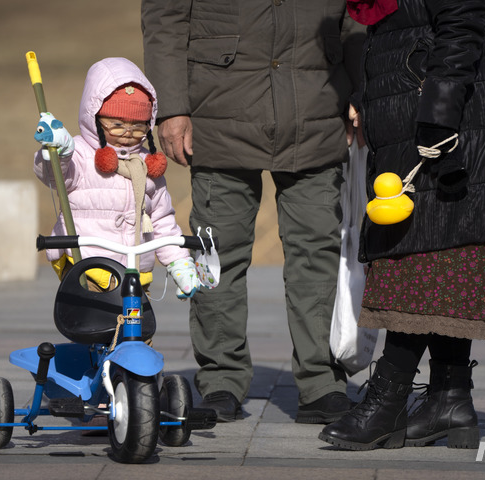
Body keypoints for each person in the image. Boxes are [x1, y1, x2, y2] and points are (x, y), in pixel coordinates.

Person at [141, 1, 365, 423]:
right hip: (218, 109)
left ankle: (321, 382)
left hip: (317, 108)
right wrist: (170, 106)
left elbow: (359, 14)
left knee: (317, 250)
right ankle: (221, 378)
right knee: (216, 254)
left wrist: (362, 88)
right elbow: (165, 17)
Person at [319, 0, 485, 450]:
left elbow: (461, 25)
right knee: (443, 256)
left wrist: (437, 116)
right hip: (428, 117)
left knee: (418, 264)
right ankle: (449, 399)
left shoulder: (439, 118)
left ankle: (386, 401)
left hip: (447, 125)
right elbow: (406, 39)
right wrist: (368, 95)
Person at [33, 57, 199, 300]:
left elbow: (162, 221)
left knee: (140, 334)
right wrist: (59, 152)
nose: (128, 134)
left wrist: (180, 263)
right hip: (88, 264)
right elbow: (55, 177)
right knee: (102, 325)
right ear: (96, 119)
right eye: (117, 124)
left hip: (134, 272)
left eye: (138, 126)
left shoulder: (145, 165)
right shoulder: (80, 153)